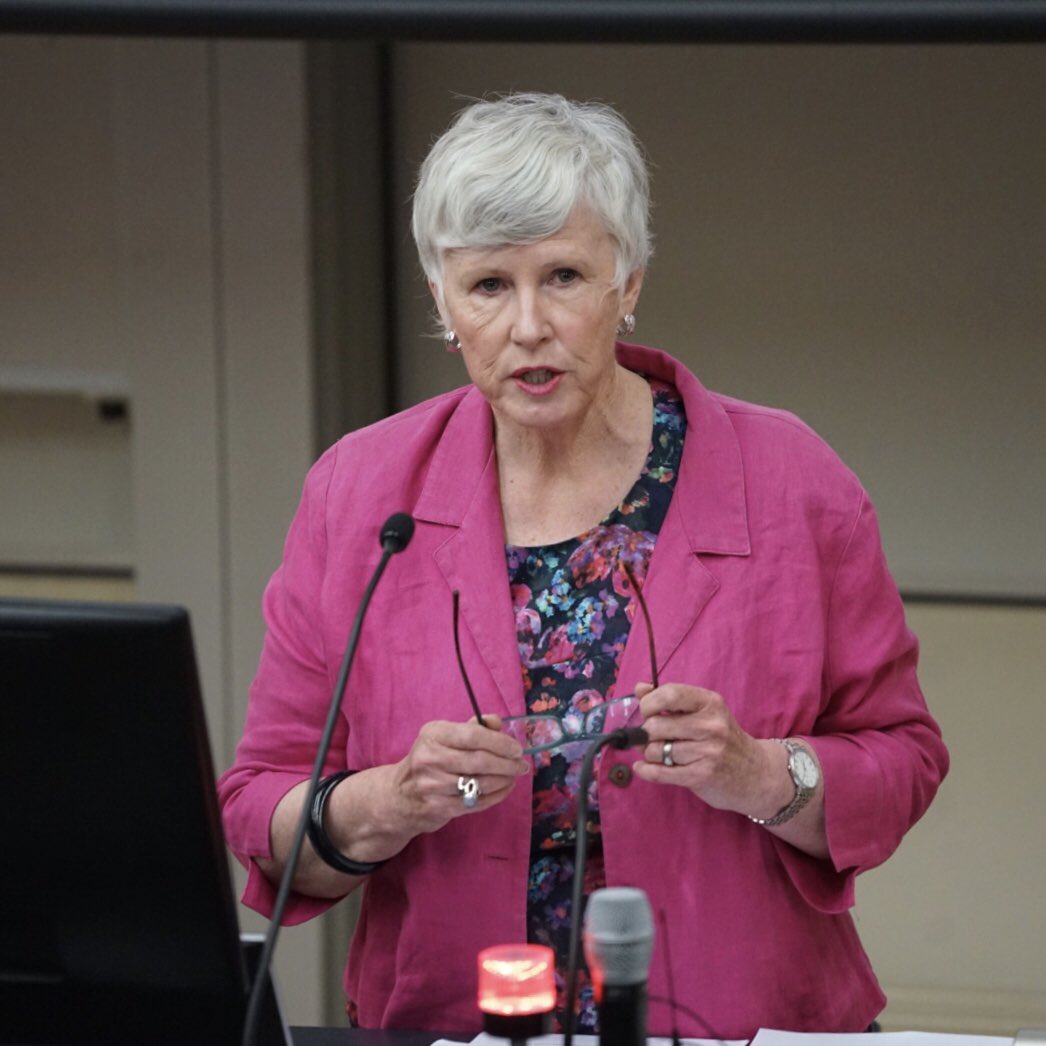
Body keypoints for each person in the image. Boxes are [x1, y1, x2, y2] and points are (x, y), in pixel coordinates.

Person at [218, 92, 948, 1039]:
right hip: (457, 1019)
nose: (528, 325)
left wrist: (766, 774)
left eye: (563, 276)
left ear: (629, 280)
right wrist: (389, 800)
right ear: (441, 299)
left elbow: (905, 758)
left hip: (742, 1021)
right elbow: (261, 800)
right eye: (487, 286)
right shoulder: (359, 493)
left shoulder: (791, 479)